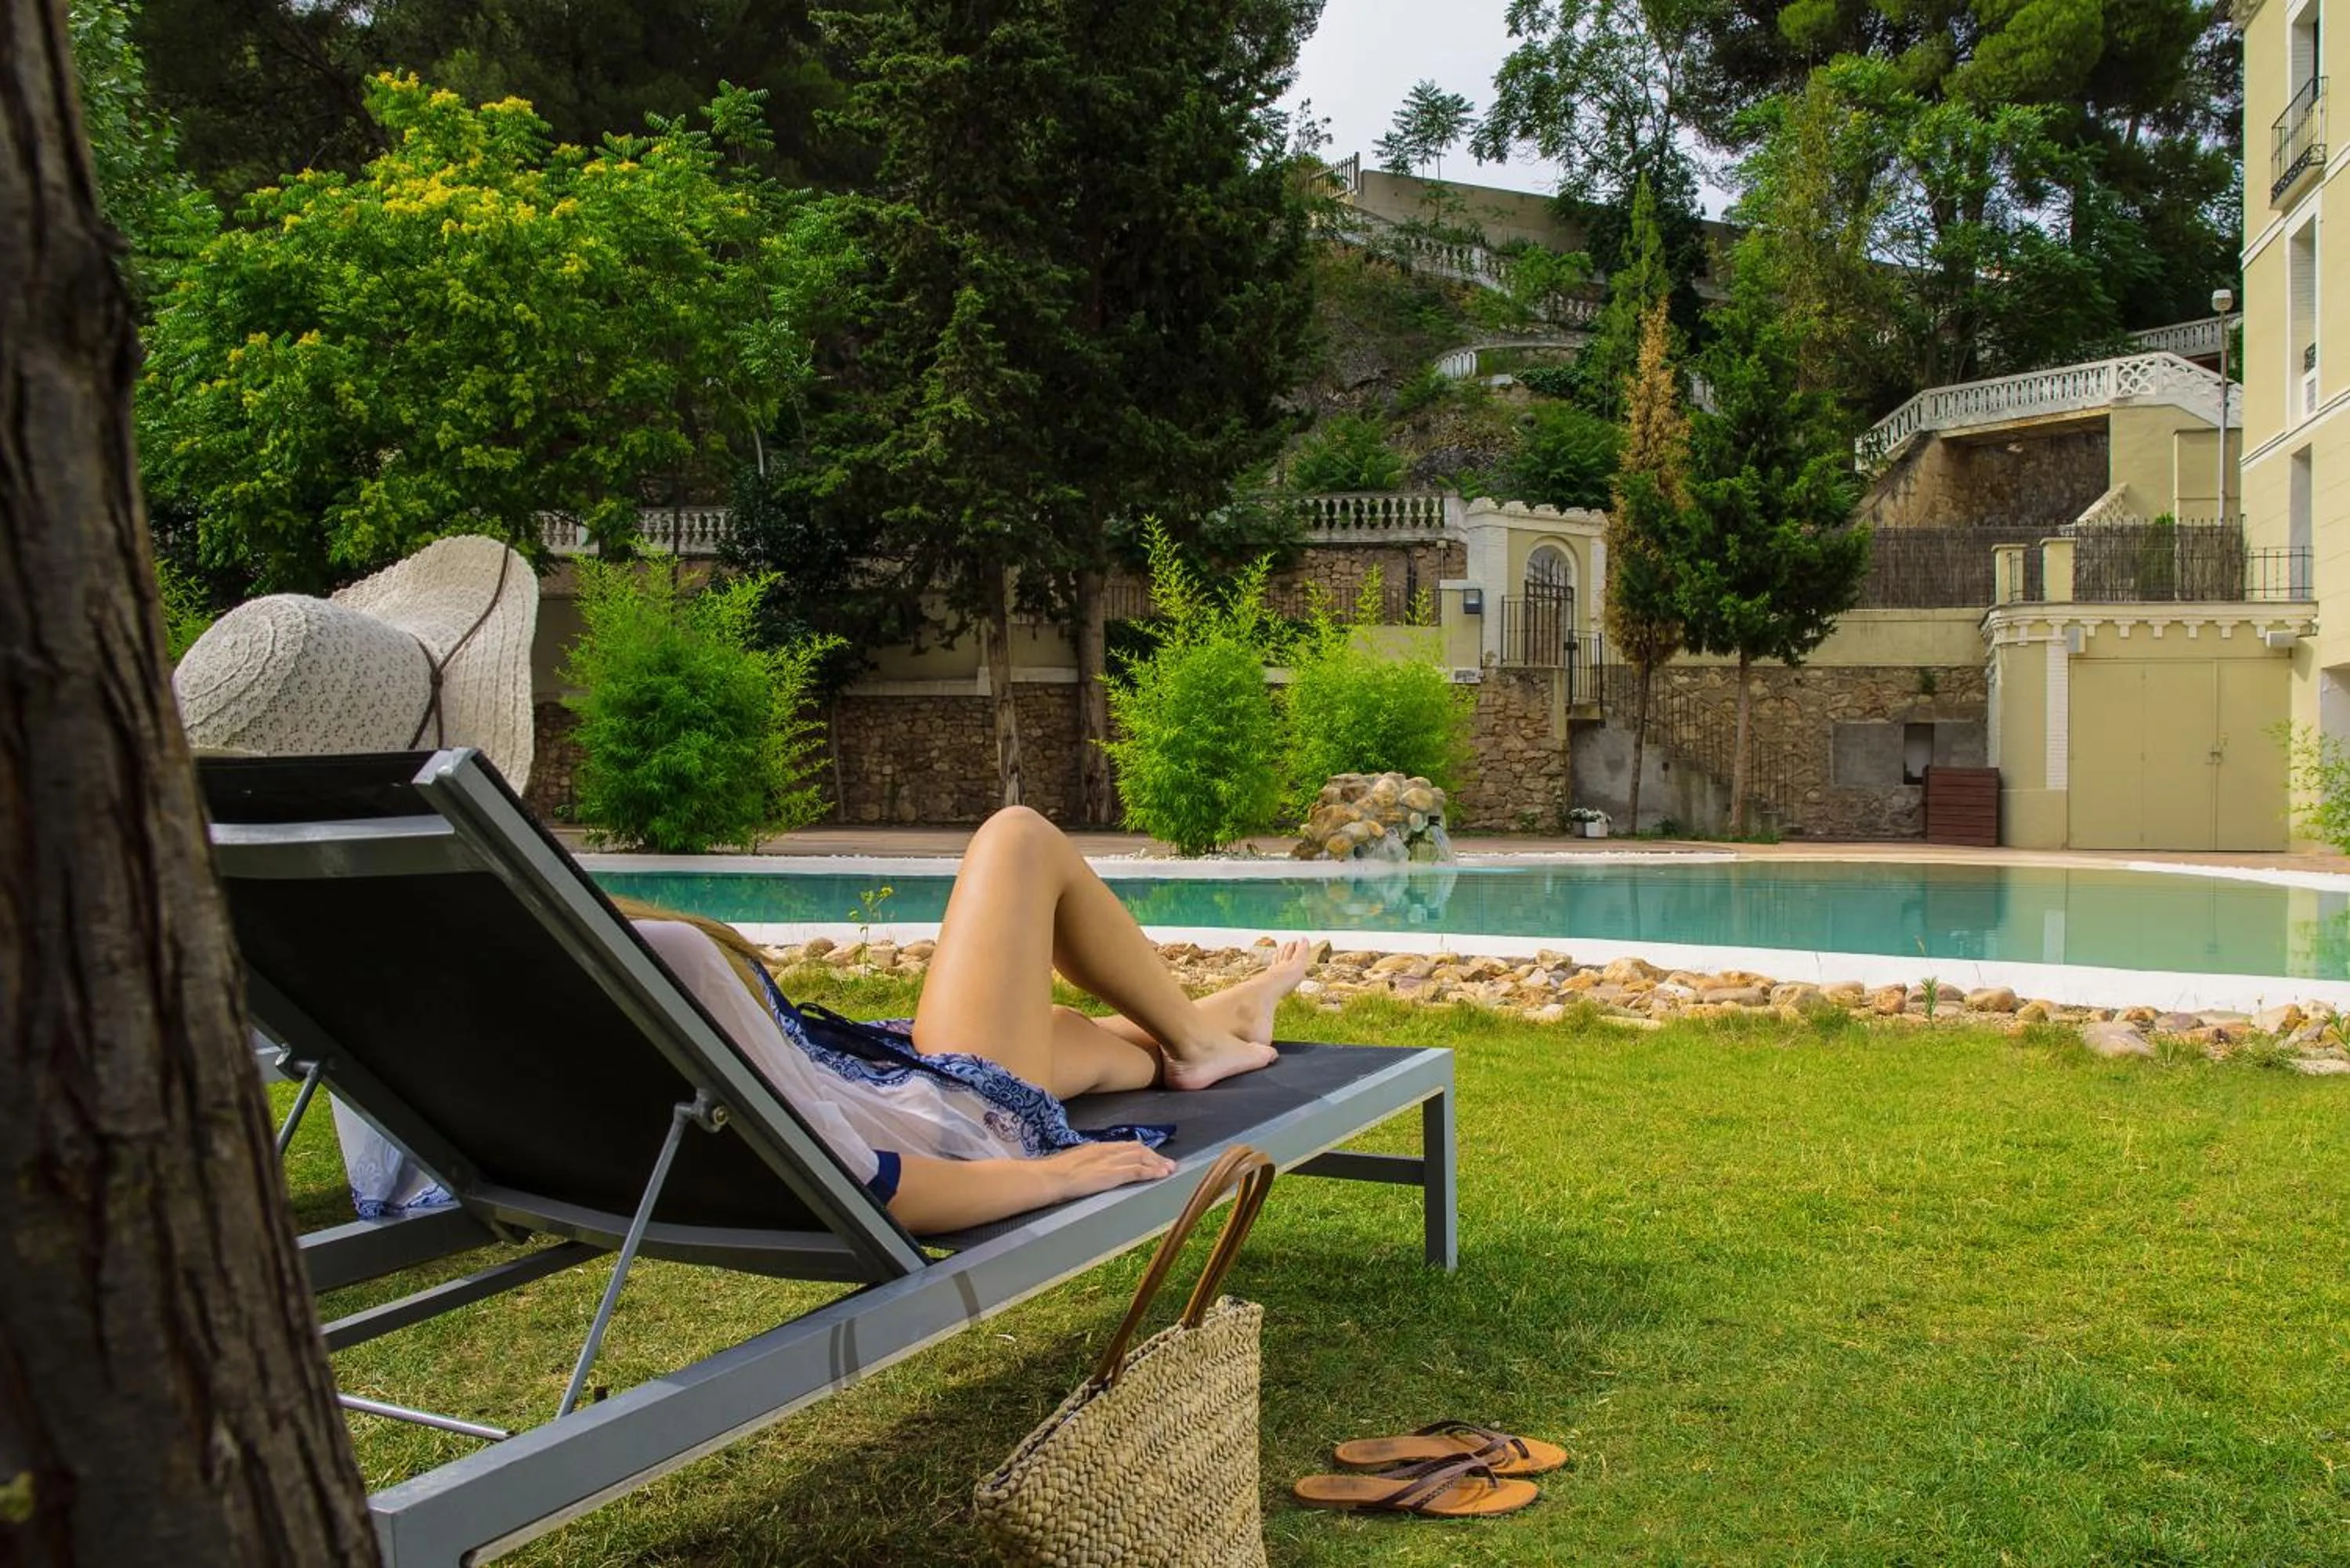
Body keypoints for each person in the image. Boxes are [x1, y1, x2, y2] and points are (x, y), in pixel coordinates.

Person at [628, 804, 1311, 1234]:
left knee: (1064, 1031)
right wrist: (1056, 1175)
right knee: (1018, 840)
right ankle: (1196, 1039)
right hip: (937, 1130)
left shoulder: (553, 971)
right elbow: (865, 1181)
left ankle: (1225, 1019)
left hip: (878, 1080)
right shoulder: (664, 955)